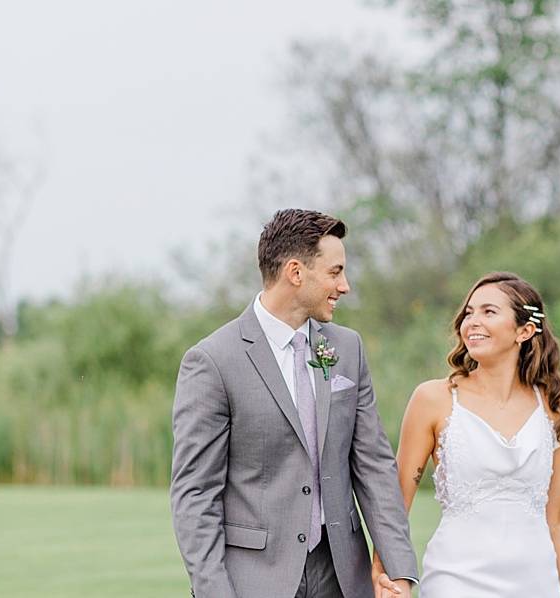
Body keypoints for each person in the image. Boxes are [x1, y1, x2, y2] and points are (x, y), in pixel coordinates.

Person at [170, 208, 419, 598]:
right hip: (254, 580)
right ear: (296, 272)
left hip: (342, 576)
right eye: (335, 272)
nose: (345, 286)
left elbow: (374, 467)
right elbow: (195, 494)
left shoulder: (347, 348)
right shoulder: (213, 361)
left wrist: (399, 569)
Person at [373, 271, 560, 597]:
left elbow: (557, 519)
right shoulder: (433, 399)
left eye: (489, 312)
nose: (472, 321)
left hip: (535, 583)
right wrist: (383, 573)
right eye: (468, 313)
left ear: (524, 330)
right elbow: (395, 504)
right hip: (456, 579)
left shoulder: (552, 407)